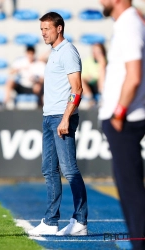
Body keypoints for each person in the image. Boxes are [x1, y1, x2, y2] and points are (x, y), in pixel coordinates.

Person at [28, 12, 88, 236]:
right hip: (49, 117)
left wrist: (65, 118)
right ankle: (51, 221)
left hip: (62, 118)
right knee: (49, 170)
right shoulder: (54, 52)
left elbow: (77, 89)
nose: (43, 32)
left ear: (59, 28)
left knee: (70, 170)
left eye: (46, 28)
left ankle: (80, 220)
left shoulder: (68, 52)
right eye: (41, 29)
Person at [98, 0, 145, 249]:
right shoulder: (129, 22)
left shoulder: (129, 24)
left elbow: (134, 76)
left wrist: (119, 113)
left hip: (124, 121)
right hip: (124, 119)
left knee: (131, 192)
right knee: (129, 190)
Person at [80, 43, 107, 109]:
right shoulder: (88, 61)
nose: (95, 54)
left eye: (98, 52)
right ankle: (89, 98)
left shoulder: (106, 61)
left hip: (102, 85)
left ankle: (102, 96)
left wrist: (102, 64)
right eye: (94, 52)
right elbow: (83, 75)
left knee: (102, 72)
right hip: (90, 85)